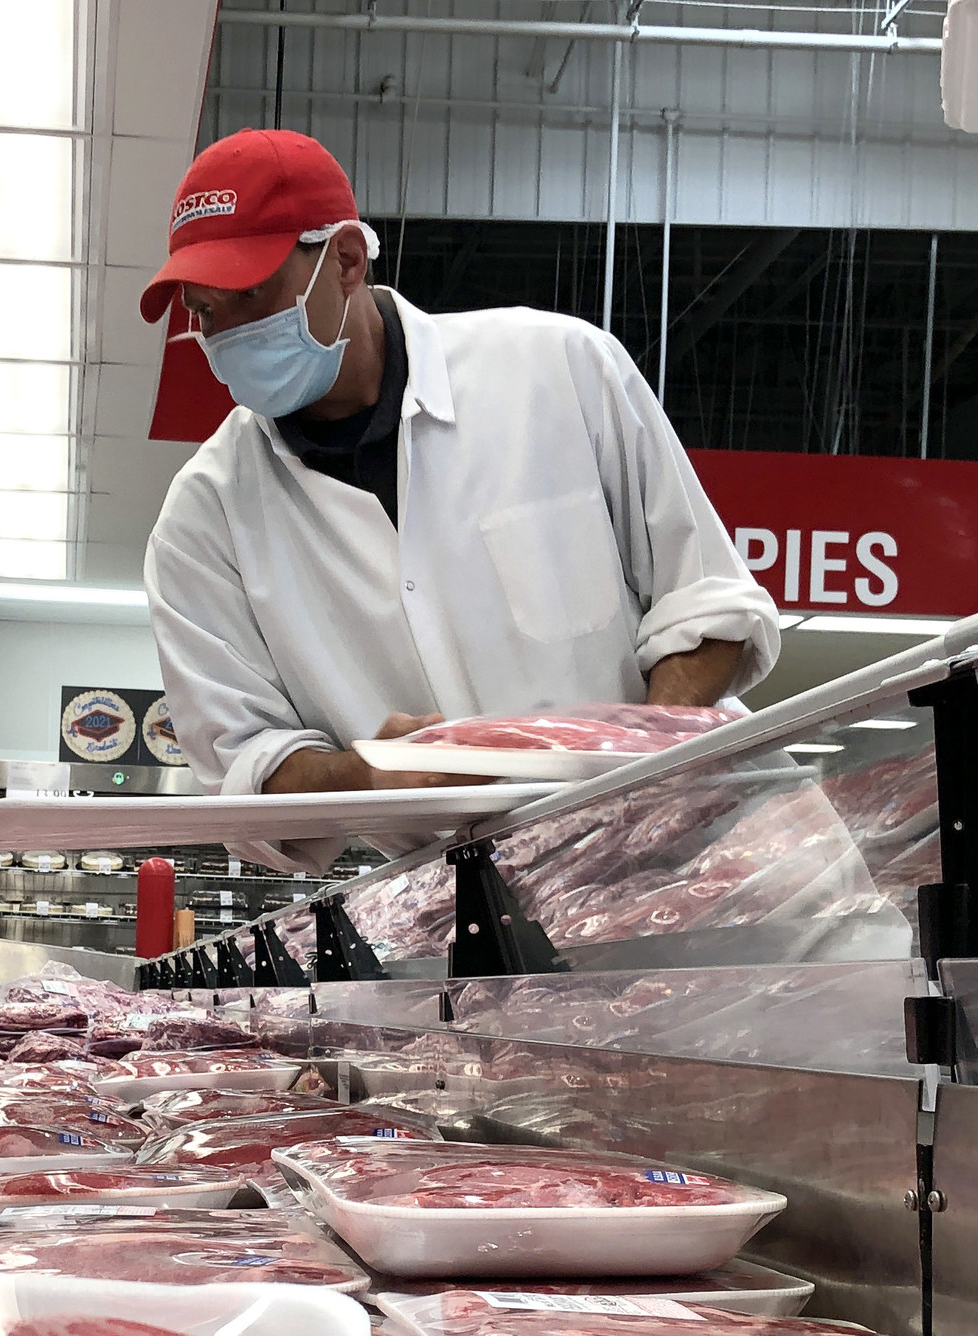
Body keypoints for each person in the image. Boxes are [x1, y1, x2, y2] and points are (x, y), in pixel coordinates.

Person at [140, 128, 780, 866]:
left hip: (713, 848)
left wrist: (624, 768)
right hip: (478, 910)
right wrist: (367, 772)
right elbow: (245, 768)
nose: (229, 335)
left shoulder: (559, 371)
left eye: (252, 295)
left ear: (345, 260)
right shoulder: (204, 521)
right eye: (207, 311)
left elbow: (710, 609)